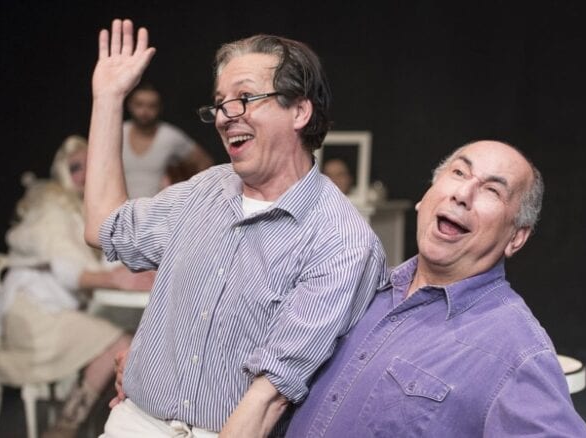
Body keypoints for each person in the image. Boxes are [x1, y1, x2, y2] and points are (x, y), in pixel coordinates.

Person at [85, 19, 386, 437]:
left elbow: (268, 398)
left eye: (244, 98)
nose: (226, 116)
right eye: (220, 103)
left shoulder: (341, 241)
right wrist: (107, 98)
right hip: (135, 422)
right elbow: (106, 227)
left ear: (299, 111)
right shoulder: (206, 189)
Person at [286, 141, 586, 437]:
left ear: (516, 238)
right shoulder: (358, 287)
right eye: (459, 173)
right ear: (425, 197)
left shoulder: (516, 350)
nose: (463, 194)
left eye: (492, 190)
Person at [0, 135, 155, 438]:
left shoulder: (84, 211)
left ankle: (76, 422)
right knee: (121, 343)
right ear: (61, 169)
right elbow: (67, 268)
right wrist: (117, 280)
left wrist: (139, 272)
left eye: (90, 166)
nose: (84, 174)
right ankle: (65, 427)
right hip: (33, 317)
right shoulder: (52, 206)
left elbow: (106, 263)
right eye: (75, 167)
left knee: (130, 340)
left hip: (59, 314)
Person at [123, 83, 213, 198]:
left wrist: (187, 193)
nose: (145, 111)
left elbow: (204, 162)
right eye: (139, 104)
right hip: (120, 206)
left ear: (160, 108)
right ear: (130, 105)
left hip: (158, 207)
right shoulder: (119, 133)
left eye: (152, 106)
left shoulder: (170, 136)